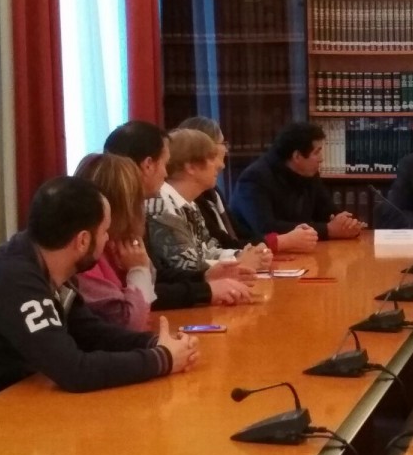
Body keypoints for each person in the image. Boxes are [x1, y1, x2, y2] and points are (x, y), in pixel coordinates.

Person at [0, 177, 199, 410]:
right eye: (105, 231)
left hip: (15, 401)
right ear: (83, 241)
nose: (108, 239)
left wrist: (154, 342)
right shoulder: (14, 278)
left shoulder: (47, 264)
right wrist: (163, 359)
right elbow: (73, 370)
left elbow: (90, 332)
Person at [104, 120, 253, 308]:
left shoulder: (133, 210)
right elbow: (140, 294)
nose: (166, 174)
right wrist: (206, 290)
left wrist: (204, 276)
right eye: (164, 164)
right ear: (148, 165)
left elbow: (157, 275)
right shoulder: (137, 211)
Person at [176, 116, 318, 254]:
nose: (226, 150)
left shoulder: (213, 192)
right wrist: (280, 242)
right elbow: (224, 246)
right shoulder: (190, 199)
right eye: (223, 143)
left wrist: (283, 239)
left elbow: (240, 235)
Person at [146, 128, 271, 274]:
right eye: (211, 159)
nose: (219, 165)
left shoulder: (190, 204)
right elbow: (185, 265)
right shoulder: (162, 205)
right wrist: (239, 262)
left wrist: (243, 255)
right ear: (191, 167)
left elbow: (208, 250)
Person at [231, 121, 364, 240]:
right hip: (258, 253)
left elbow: (327, 212)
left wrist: (348, 223)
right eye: (316, 152)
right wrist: (328, 230)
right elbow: (266, 227)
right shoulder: (254, 179)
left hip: (299, 250)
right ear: (297, 156)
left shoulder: (309, 173)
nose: (321, 158)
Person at [74, 153, 157, 330]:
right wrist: (138, 270)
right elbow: (132, 324)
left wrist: (142, 265)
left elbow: (148, 302)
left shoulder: (114, 243)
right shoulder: (84, 256)